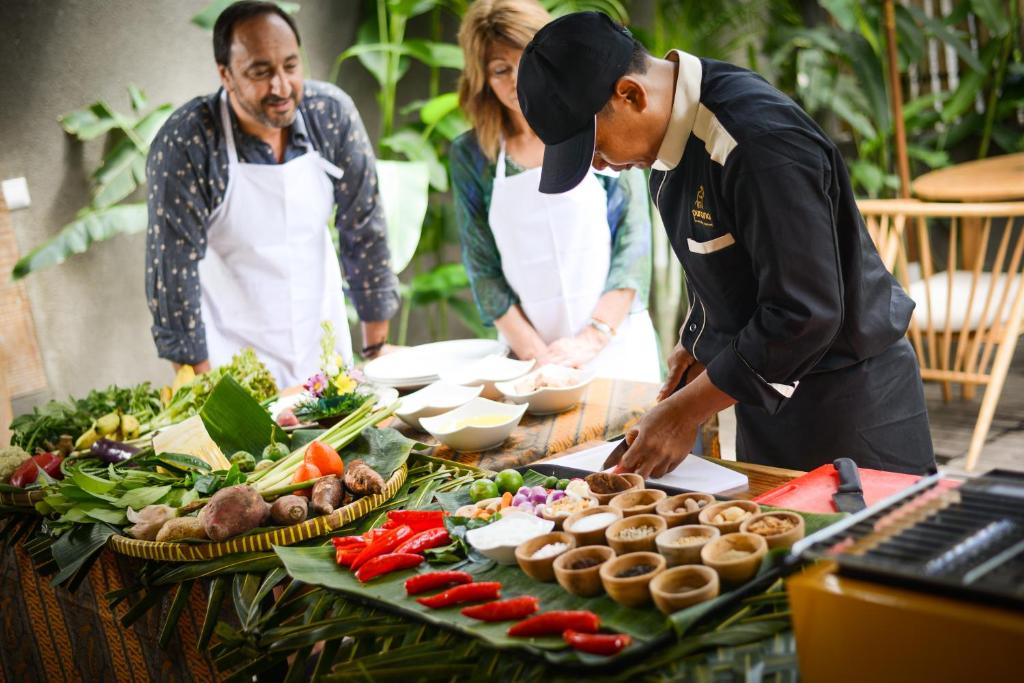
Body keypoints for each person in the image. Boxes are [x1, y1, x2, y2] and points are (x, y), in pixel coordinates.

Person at [516, 12, 936, 476]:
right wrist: (697, 342)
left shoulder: (756, 142)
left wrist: (686, 412)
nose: (601, 163)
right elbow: (726, 258)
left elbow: (805, 312)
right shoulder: (668, 134)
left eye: (594, 146)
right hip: (765, 399)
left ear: (630, 94)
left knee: (869, 545)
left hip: (849, 407)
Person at [144, 1, 399, 386]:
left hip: (325, 354)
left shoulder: (329, 115)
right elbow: (173, 275)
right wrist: (208, 390)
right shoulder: (189, 141)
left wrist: (377, 349)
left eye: (290, 66)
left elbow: (364, 231)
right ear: (226, 75)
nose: (281, 86)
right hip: (233, 364)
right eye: (260, 72)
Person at [448, 0, 660, 382]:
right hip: (532, 357)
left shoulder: (599, 121)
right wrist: (539, 357)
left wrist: (593, 339)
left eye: (525, 61)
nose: (516, 79)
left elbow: (634, 245)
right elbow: (482, 269)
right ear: (480, 79)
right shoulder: (472, 156)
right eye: (500, 70)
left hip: (616, 343)